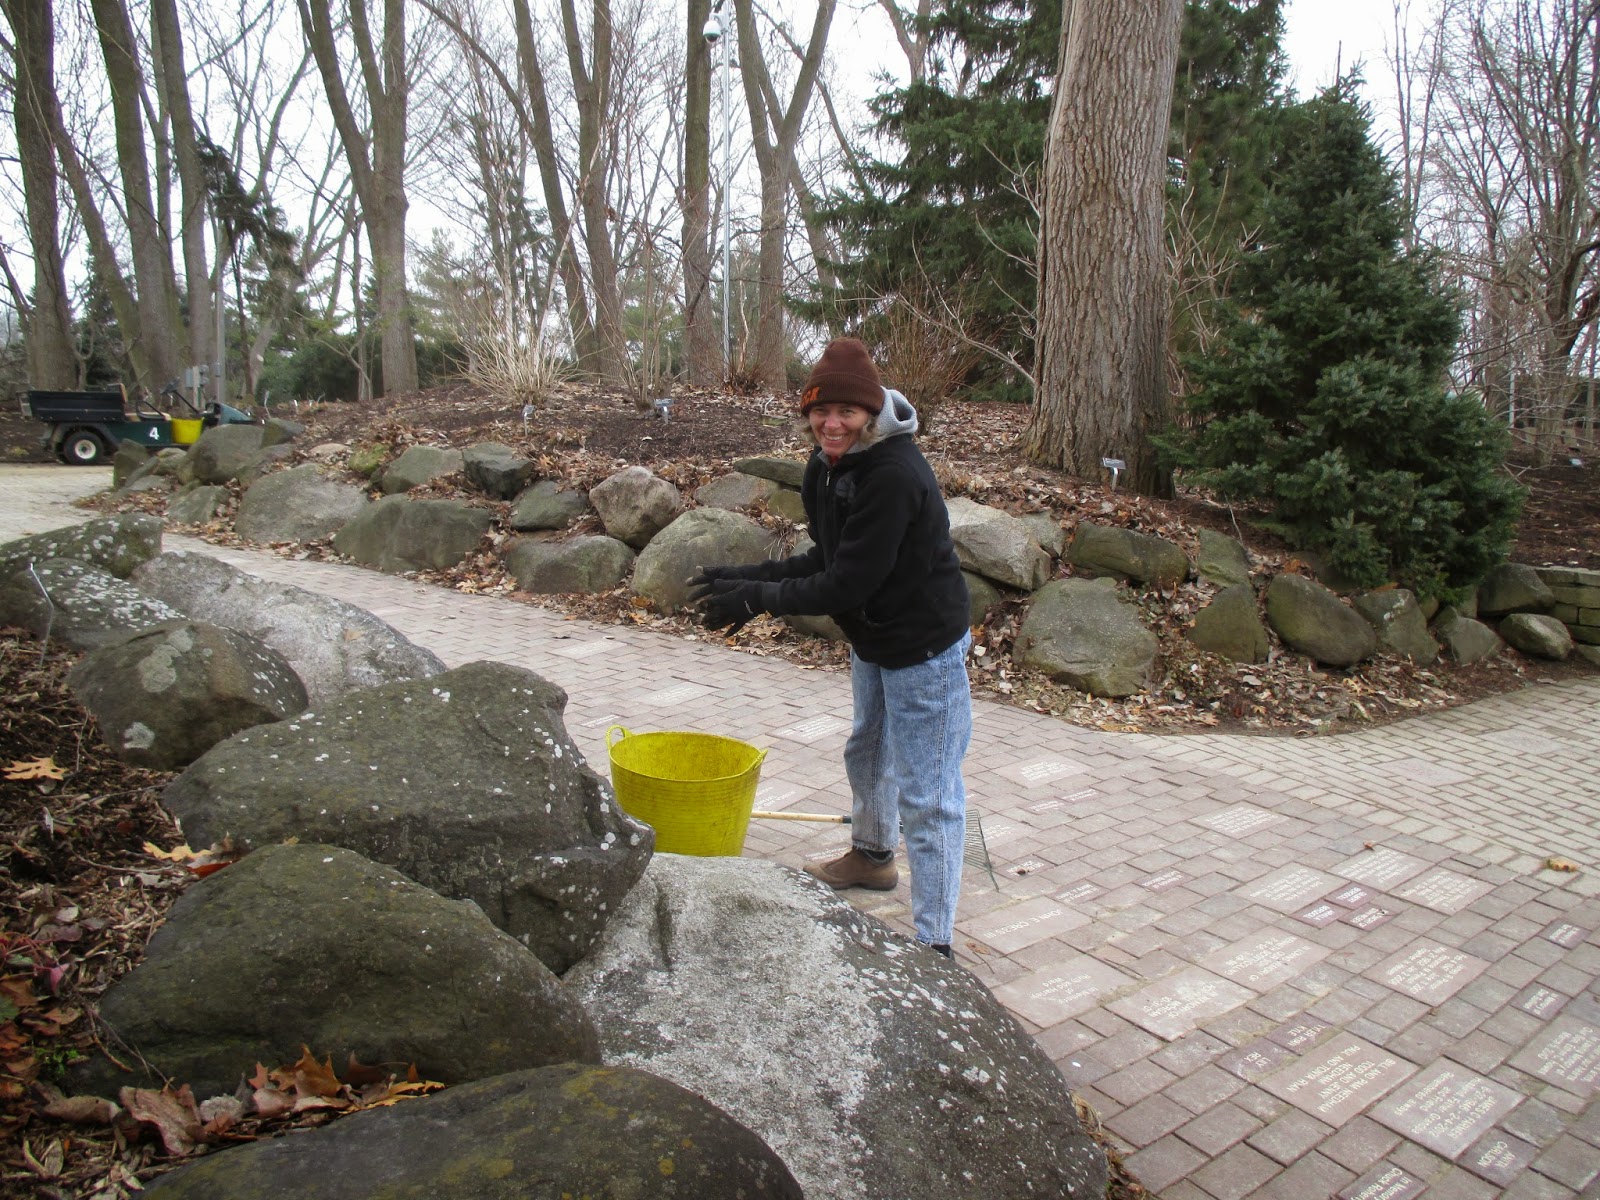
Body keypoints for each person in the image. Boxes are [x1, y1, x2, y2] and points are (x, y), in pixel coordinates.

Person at [689, 337, 972, 958]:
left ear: (871, 413)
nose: (832, 422)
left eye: (846, 411)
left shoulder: (894, 475)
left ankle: (936, 947)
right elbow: (830, 557)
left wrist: (758, 599)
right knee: (866, 749)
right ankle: (872, 856)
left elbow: (849, 583)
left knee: (929, 796)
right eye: (820, 410)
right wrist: (748, 576)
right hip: (872, 636)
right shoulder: (825, 467)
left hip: (924, 646)